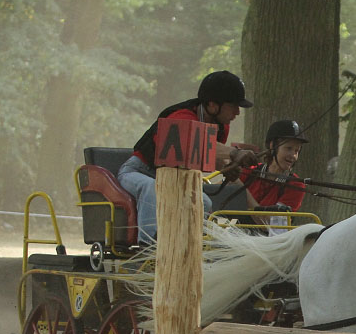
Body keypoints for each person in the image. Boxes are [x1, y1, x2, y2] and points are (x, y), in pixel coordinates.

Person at [117, 70, 259, 244]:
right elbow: (195, 144)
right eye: (233, 105)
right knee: (153, 188)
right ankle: (148, 249)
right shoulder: (181, 117)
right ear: (213, 105)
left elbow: (208, 155)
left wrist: (227, 167)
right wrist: (234, 153)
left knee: (204, 203)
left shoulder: (221, 126)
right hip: (139, 172)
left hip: (175, 181)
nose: (237, 112)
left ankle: (188, 247)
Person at [241, 119, 310, 234]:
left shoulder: (296, 185)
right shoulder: (250, 171)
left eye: (297, 151)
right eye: (288, 148)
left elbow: (270, 225)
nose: (293, 156)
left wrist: (242, 192)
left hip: (269, 244)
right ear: (272, 146)